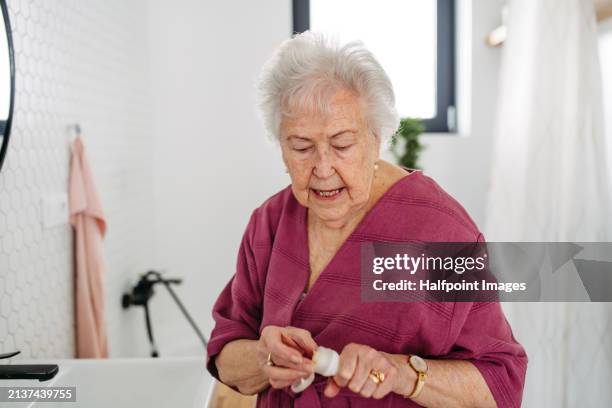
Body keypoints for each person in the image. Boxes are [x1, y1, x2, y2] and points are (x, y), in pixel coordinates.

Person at [206, 31, 527, 407]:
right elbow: (225, 357)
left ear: (378, 137)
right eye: (301, 147)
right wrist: (264, 357)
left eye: (342, 144)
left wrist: (402, 373)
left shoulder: (438, 234)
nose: (322, 168)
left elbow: (500, 385)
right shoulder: (271, 224)